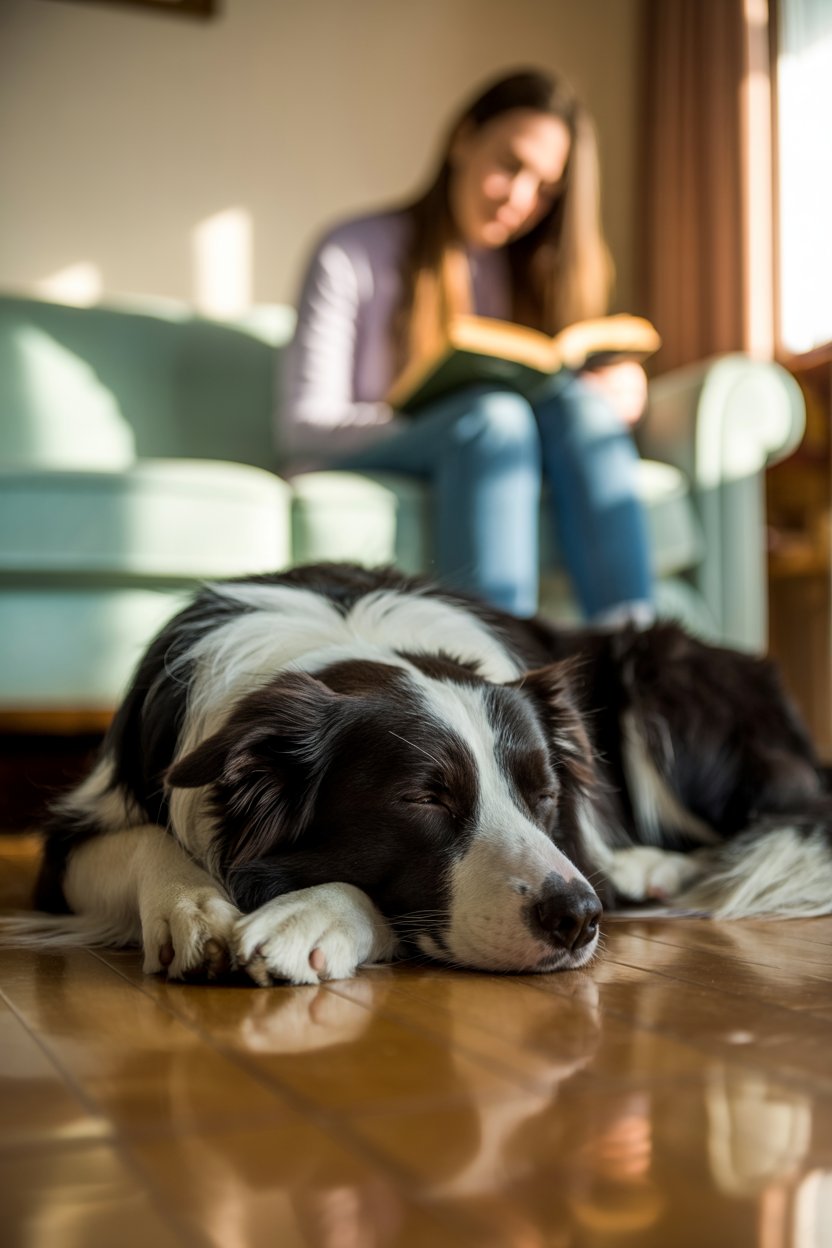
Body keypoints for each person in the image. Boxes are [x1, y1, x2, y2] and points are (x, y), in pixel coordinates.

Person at [280, 67, 654, 623]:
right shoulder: (350, 250)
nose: (520, 201)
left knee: (573, 404)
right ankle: (496, 677)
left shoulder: (530, 272)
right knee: (492, 418)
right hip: (381, 448)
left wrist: (615, 395)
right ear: (462, 139)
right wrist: (442, 420)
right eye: (510, 166)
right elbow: (300, 425)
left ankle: (636, 657)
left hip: (490, 443)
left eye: (546, 191)